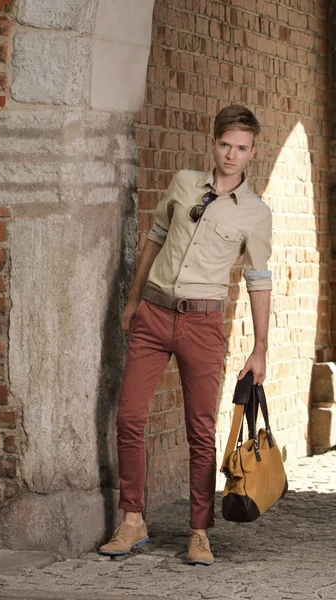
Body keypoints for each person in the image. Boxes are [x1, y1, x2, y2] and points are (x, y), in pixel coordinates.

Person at [99, 105, 272, 565]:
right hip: (154, 312)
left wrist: (260, 348)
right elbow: (155, 236)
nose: (231, 154)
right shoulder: (183, 183)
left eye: (241, 148)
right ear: (212, 143)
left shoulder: (255, 214)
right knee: (129, 417)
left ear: (252, 152)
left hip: (202, 324)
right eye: (224, 145)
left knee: (201, 430)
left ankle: (199, 531)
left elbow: (258, 279)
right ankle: (132, 519)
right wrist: (133, 300)